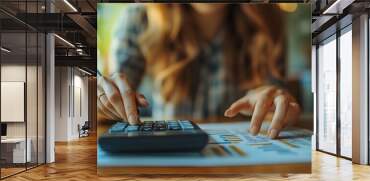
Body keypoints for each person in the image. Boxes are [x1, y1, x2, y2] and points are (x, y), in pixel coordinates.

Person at [97, 3, 301, 139]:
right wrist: (102, 100)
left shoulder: (268, 19)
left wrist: (277, 104)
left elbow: (278, 104)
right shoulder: (138, 17)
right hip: (171, 166)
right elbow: (115, 93)